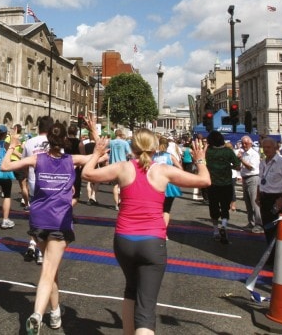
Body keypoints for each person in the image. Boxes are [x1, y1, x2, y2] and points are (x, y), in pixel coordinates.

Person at [83, 124, 210, 335]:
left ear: (132, 147)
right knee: (146, 308)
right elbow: (204, 180)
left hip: (124, 239)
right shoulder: (162, 170)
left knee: (131, 290)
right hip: (152, 242)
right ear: (155, 147)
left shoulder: (123, 167)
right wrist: (200, 159)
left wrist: (96, 153)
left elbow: (87, 174)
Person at [1, 121, 94, 335]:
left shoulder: (37, 159)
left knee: (51, 269)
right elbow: (98, 157)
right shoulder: (72, 160)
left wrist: (13, 146)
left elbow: (5, 166)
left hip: (39, 219)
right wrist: (95, 137)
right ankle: (37, 313)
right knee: (49, 270)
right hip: (59, 220)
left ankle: (55, 311)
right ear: (64, 141)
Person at [22, 116, 53, 264]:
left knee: (35, 213)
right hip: (51, 183)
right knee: (47, 217)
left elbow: (24, 162)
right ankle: (41, 250)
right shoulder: (55, 142)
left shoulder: (29, 142)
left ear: (39, 127)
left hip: (34, 182)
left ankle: (32, 242)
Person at [256, 137, 282, 248]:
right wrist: (258, 196)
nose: (266, 150)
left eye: (268, 147)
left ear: (275, 148)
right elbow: (260, 180)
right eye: (264, 147)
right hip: (264, 198)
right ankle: (271, 254)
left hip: (277, 198)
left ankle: (280, 254)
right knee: (267, 227)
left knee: (279, 229)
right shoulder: (263, 163)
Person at [205, 131, 240, 244]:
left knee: (213, 207)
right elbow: (237, 166)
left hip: (212, 184)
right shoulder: (228, 151)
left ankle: (215, 231)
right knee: (225, 207)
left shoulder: (209, 152)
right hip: (226, 183)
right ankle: (224, 226)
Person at [237, 136, 262, 233]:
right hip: (245, 178)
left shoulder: (254, 154)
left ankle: (259, 224)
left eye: (246, 143)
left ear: (250, 143)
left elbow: (251, 167)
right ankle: (251, 223)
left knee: (255, 202)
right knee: (247, 202)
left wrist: (241, 160)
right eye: (243, 143)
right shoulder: (243, 154)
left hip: (253, 178)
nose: (244, 145)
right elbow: (242, 167)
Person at [109, 129, 131, 210]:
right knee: (123, 185)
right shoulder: (125, 143)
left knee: (115, 186)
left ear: (115, 134)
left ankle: (116, 204)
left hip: (113, 165)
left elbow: (106, 150)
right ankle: (122, 201)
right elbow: (129, 154)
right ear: (121, 134)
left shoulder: (111, 142)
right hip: (122, 166)